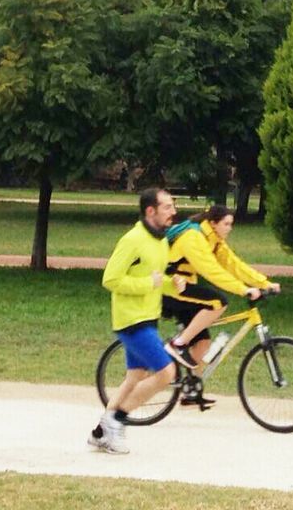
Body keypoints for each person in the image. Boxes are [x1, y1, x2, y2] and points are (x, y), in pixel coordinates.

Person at [87, 187, 185, 454]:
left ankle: (99, 434)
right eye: (167, 207)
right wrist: (148, 283)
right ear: (150, 211)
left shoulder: (161, 241)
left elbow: (154, 281)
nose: (173, 212)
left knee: (133, 379)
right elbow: (111, 279)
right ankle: (116, 421)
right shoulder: (132, 240)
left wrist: (173, 284)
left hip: (148, 317)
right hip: (131, 320)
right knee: (167, 373)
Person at [161, 204, 281, 406]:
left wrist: (264, 283)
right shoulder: (194, 237)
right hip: (170, 288)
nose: (230, 228)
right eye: (226, 224)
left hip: (185, 289)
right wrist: (244, 290)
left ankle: (190, 389)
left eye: (231, 224)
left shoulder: (215, 240)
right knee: (218, 302)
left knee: (203, 343)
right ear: (213, 223)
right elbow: (212, 271)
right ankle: (177, 344)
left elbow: (235, 265)